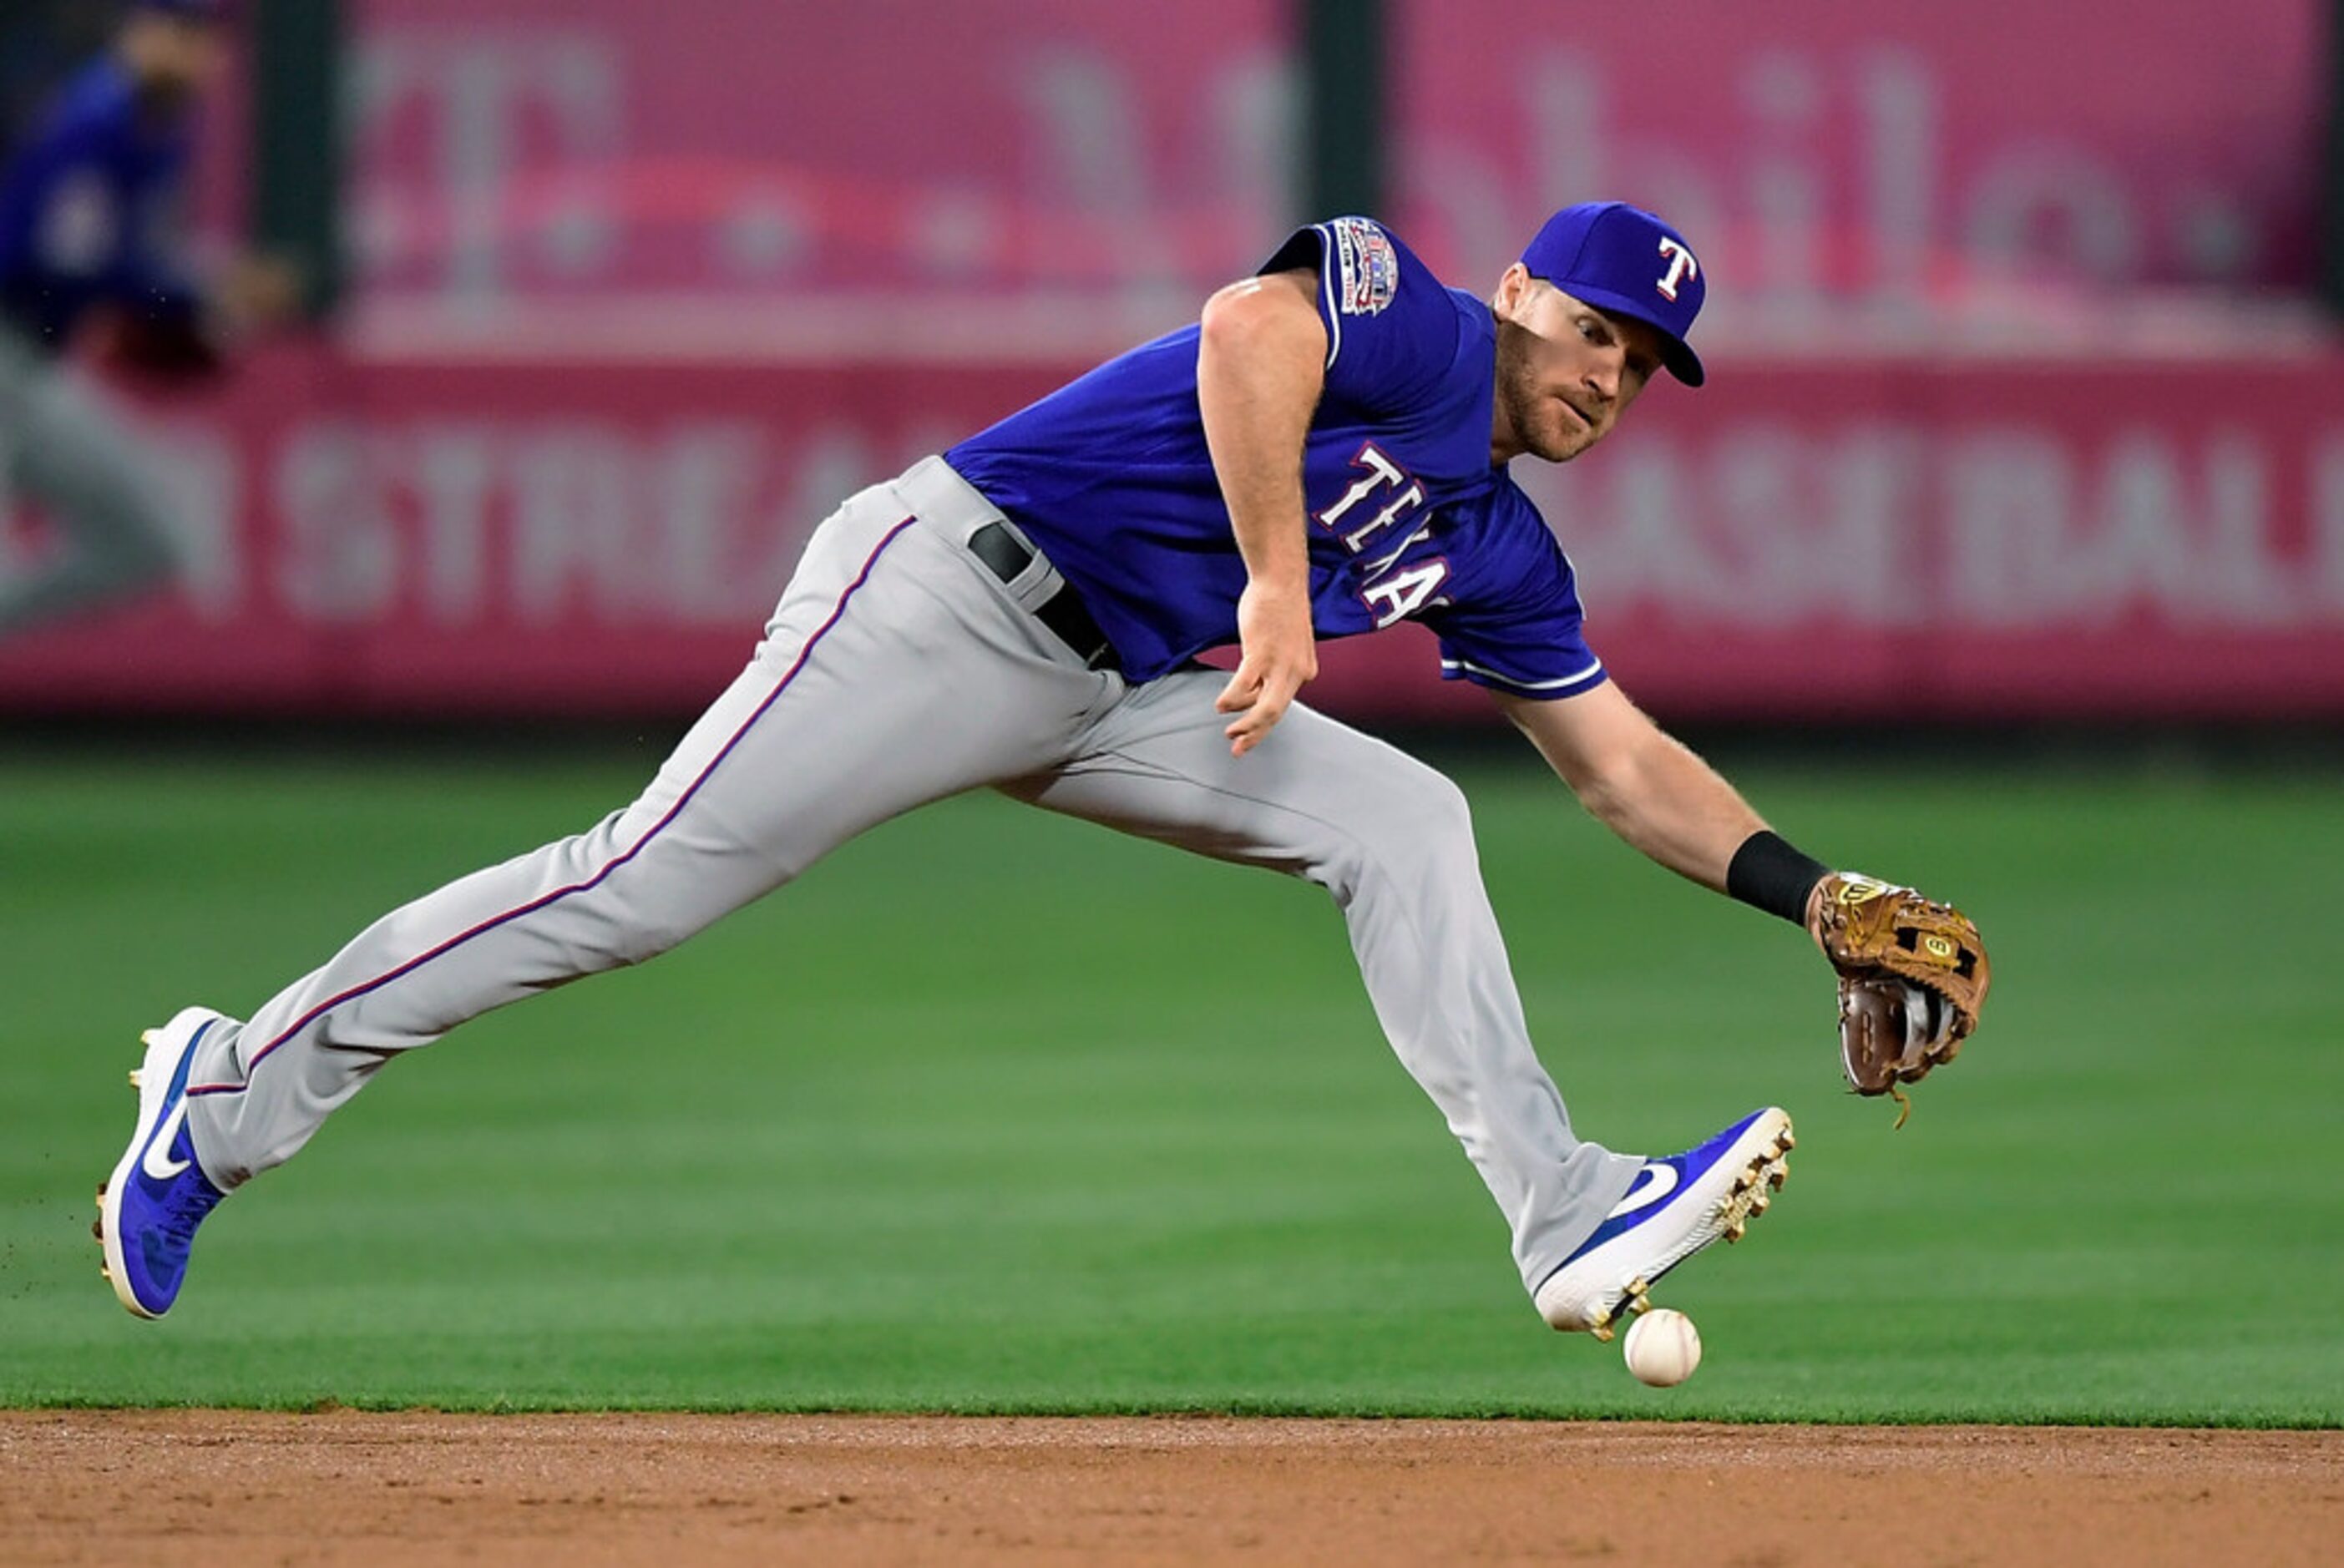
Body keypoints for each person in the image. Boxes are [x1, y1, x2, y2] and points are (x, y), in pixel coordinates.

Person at [98, 201, 1977, 1344]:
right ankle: (226, 1091)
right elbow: (1250, 330)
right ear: (1516, 294)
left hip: (1130, 688)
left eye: (1642, 366)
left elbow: (1618, 763)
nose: (1604, 377)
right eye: (1590, 330)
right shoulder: (1412, 314)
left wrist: (1809, 893)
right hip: (951, 597)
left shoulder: (1498, 543)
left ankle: (1562, 1214)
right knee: (632, 886)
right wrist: (1266, 579)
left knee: (1404, 818)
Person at [0, 0, 293, 637]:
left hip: (38, 371)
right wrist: (198, 295)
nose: (193, 51)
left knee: (152, 537)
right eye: (177, 32)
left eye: (206, 38)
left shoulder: (165, 127)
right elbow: (58, 263)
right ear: (136, 34)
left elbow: (123, 262)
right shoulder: (93, 118)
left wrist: (204, 294)